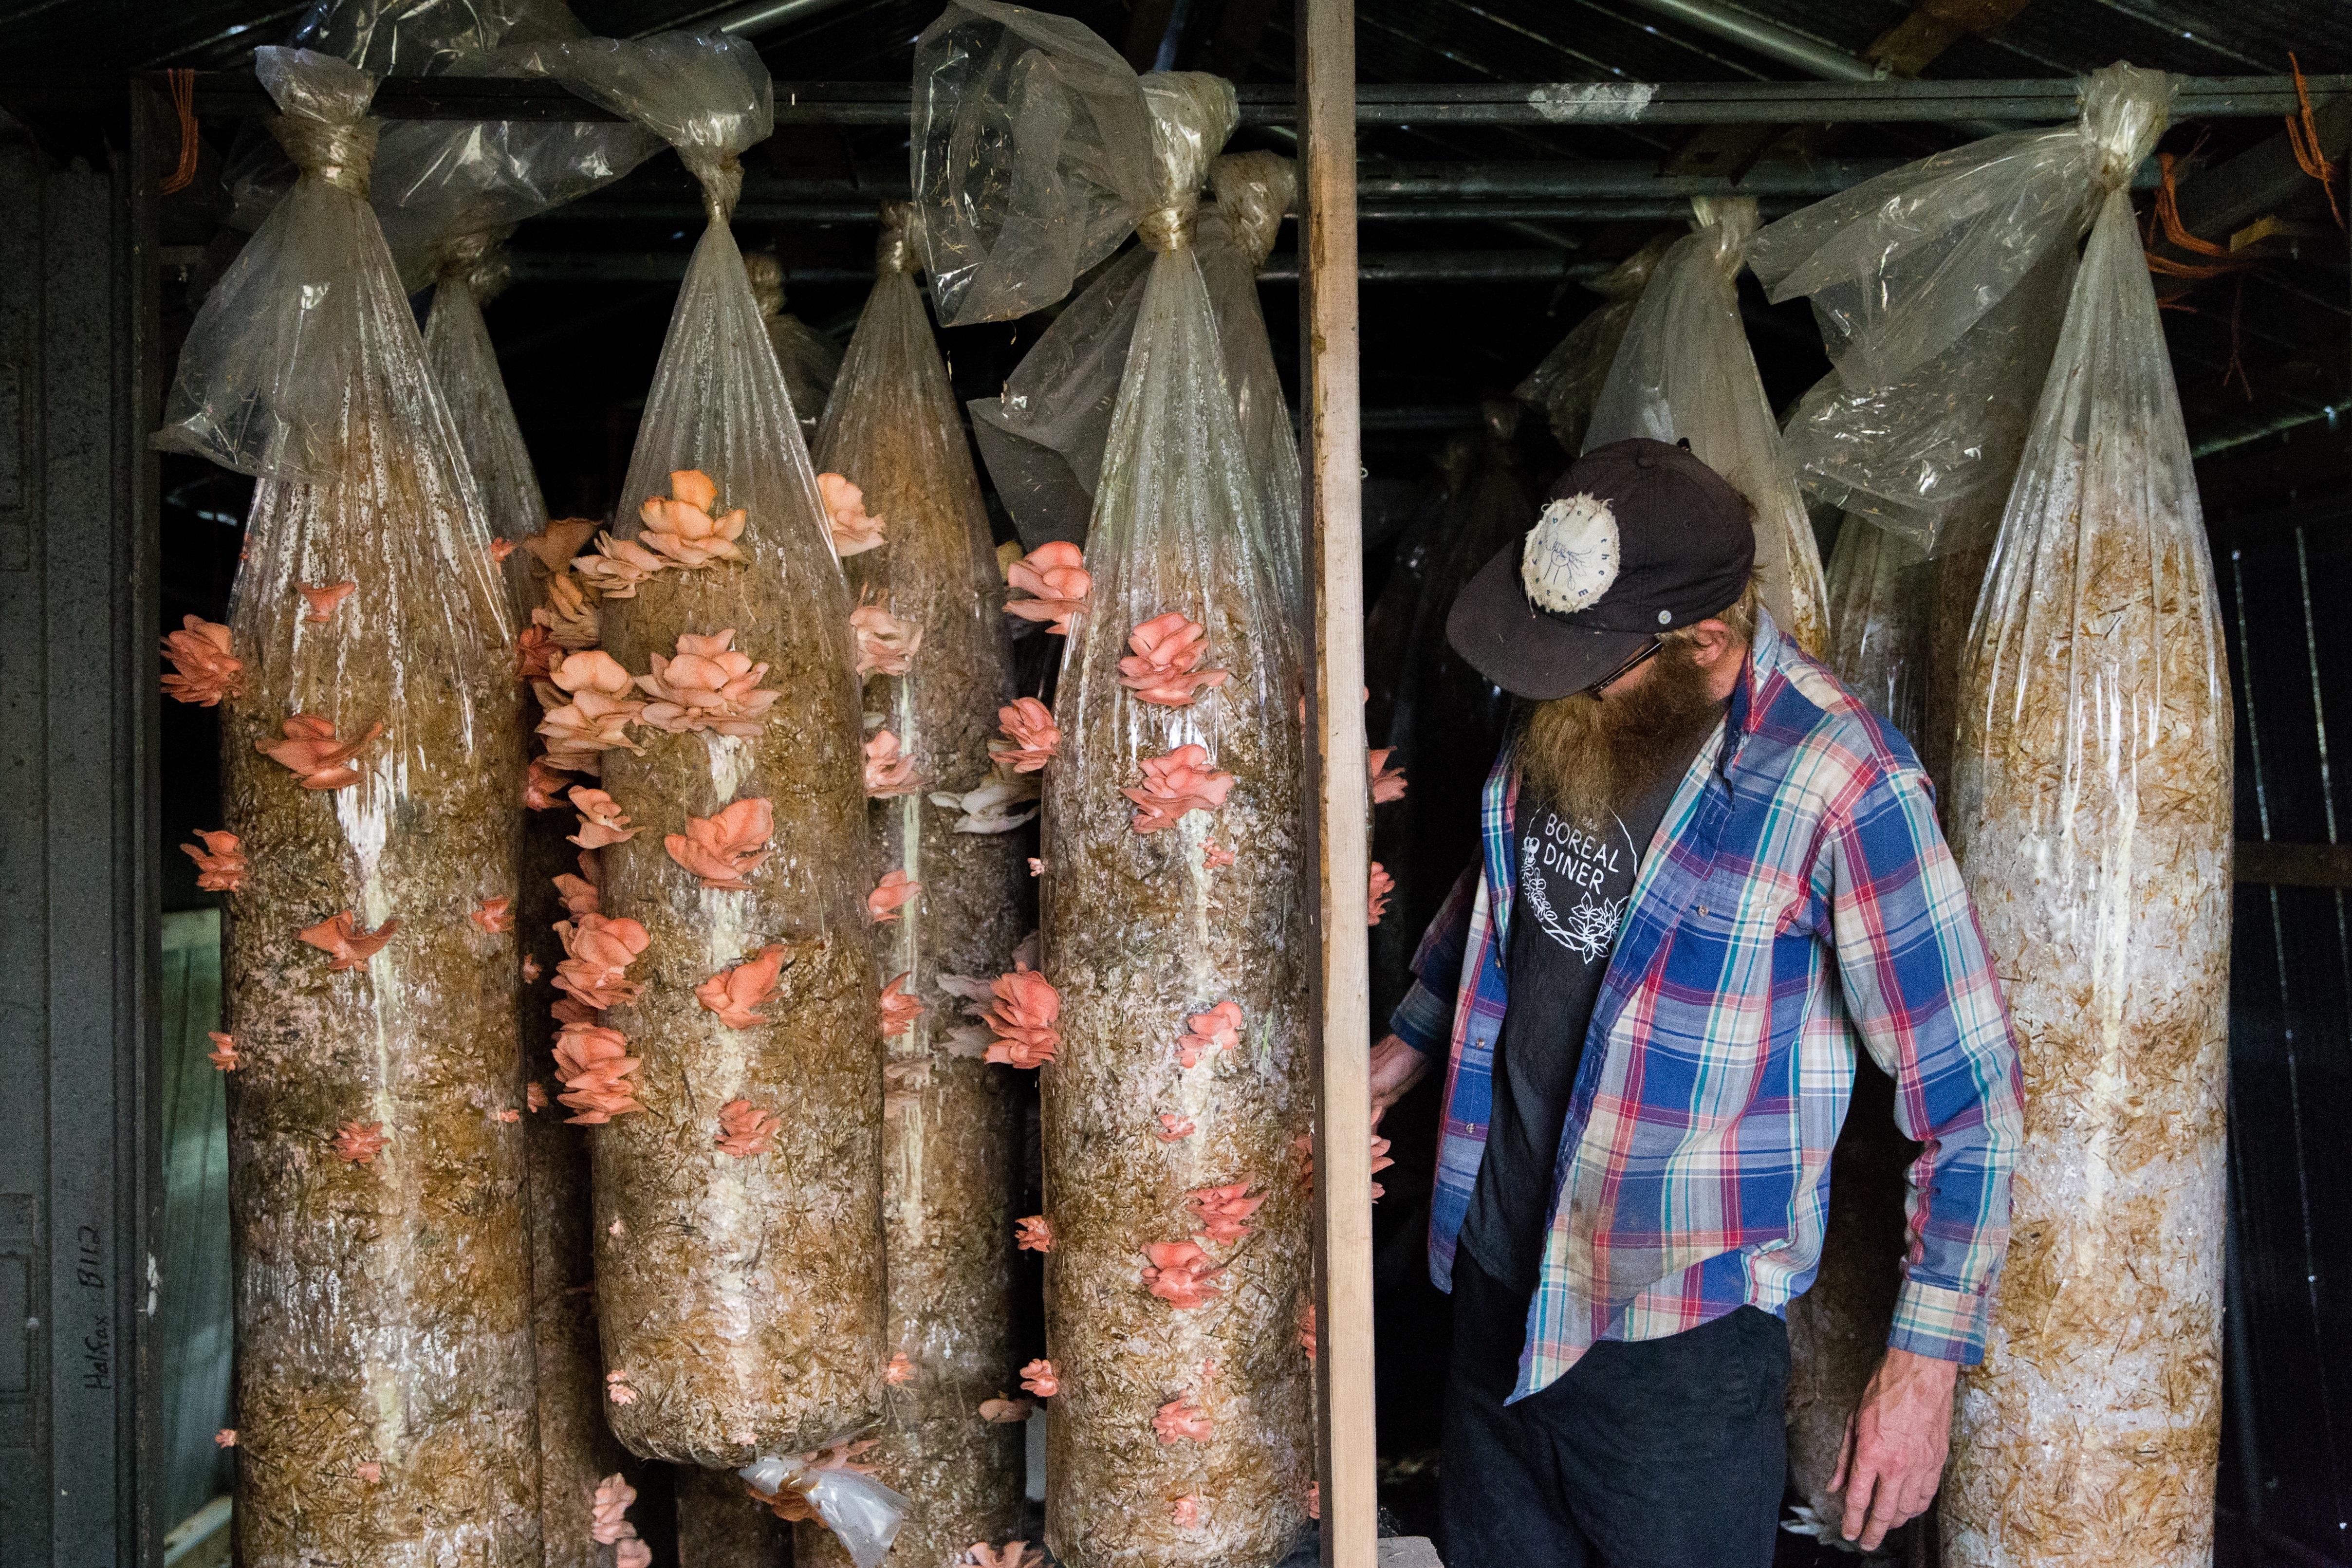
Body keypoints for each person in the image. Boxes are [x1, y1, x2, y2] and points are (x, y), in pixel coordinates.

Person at [1371, 438, 2023, 1568]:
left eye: (1587, 665)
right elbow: (1502, 894)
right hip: (1491, 1273)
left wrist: (1922, 1370)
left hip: (1669, 1341)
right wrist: (1403, 1049)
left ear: (1704, 643)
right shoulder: (1582, 703)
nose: (1554, 684)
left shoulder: (1839, 781)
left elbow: (1970, 1100)